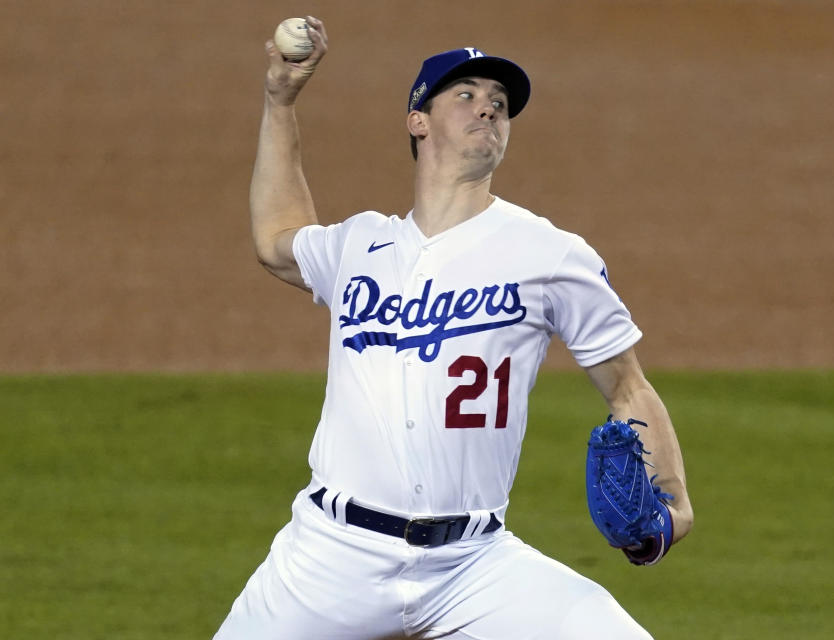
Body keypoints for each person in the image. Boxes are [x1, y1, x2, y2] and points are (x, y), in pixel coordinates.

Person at [214, 16, 693, 640]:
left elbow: (628, 387)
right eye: (465, 95)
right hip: (330, 557)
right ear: (418, 121)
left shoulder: (549, 254)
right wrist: (280, 100)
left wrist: (674, 505)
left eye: (499, 104)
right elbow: (276, 240)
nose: (488, 110)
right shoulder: (359, 246)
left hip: (473, 565)